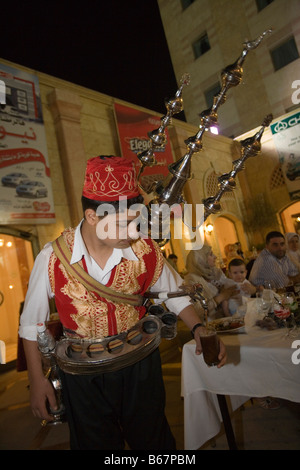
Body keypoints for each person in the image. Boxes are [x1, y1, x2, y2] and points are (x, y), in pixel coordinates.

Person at [19, 155, 226, 450]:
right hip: (81, 373)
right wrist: (37, 381)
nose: (132, 232)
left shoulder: (144, 250)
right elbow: (31, 324)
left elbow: (176, 294)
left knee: (153, 442)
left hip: (139, 364)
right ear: (92, 217)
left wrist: (199, 329)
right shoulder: (52, 257)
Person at [184, 244, 239, 320]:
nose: (215, 256)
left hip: (229, 316)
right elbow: (198, 312)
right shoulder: (191, 280)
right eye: (210, 254)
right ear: (200, 259)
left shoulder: (216, 272)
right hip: (210, 324)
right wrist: (221, 297)